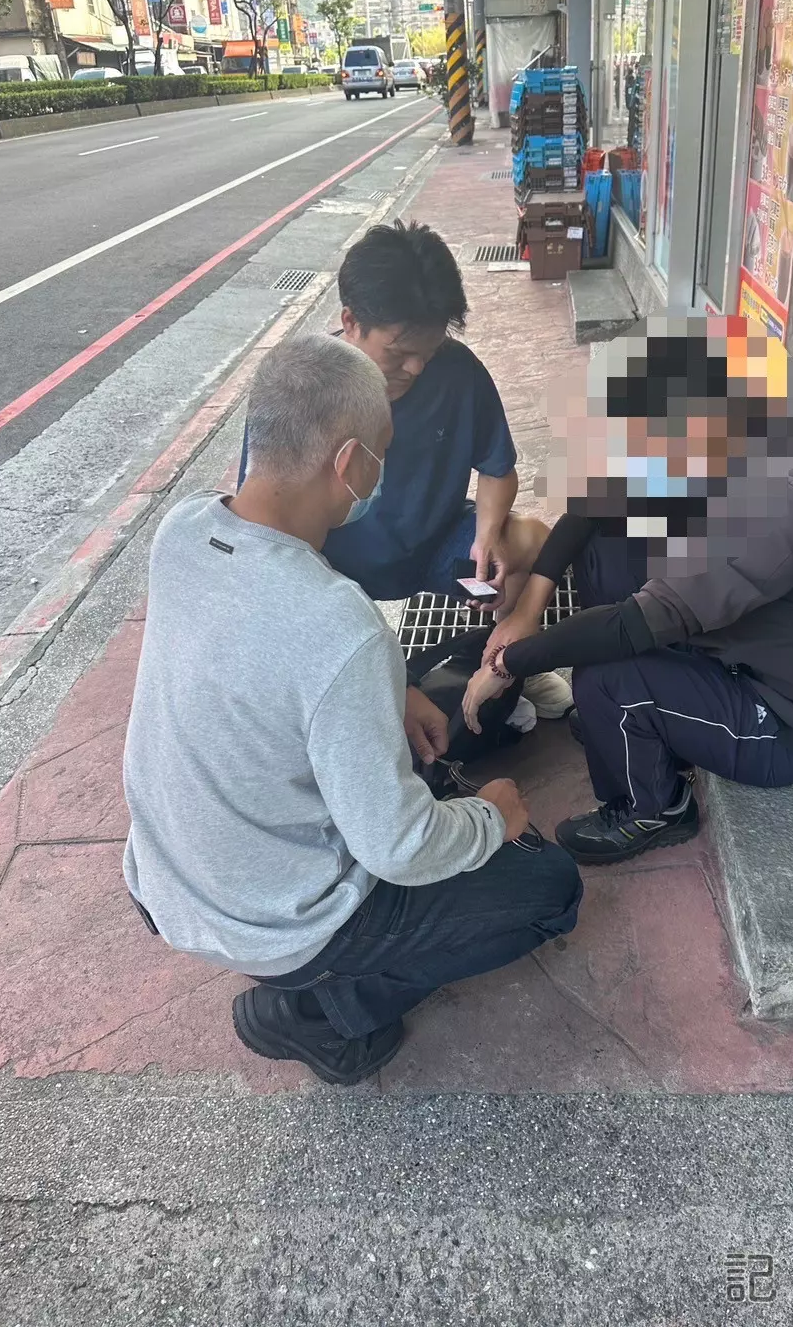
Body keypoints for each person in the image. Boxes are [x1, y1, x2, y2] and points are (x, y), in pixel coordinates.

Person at [124, 334, 582, 1086]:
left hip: (168, 879)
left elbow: (264, 663)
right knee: (549, 888)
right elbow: (397, 847)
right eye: (382, 454)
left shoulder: (182, 531)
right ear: (348, 464)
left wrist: (389, 691)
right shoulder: (340, 623)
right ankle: (321, 1014)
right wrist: (492, 818)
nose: (381, 473)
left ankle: (312, 972)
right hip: (281, 920)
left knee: (439, 722)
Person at [461, 319, 793, 866]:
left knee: (605, 675)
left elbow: (630, 625)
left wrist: (509, 662)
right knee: (606, 546)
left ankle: (655, 808)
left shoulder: (776, 509)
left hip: (781, 725)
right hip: (735, 658)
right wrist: (527, 611)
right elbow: (593, 503)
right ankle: (634, 724)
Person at [236, 219, 572, 719]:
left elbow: (498, 469)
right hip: (336, 568)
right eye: (399, 351)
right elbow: (264, 531)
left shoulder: (457, 372)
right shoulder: (302, 393)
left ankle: (510, 661)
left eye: (428, 351)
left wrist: (485, 538)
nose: (415, 368)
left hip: (434, 546)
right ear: (351, 321)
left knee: (529, 541)